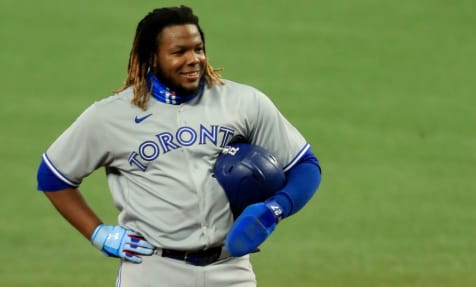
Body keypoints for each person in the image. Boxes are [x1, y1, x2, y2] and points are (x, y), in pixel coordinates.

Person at [36, 5, 321, 287]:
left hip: (230, 269)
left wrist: (275, 208)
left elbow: (304, 165)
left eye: (198, 48)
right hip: (153, 270)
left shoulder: (243, 102)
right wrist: (98, 233)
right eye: (179, 52)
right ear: (152, 57)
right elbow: (53, 176)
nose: (193, 59)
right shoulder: (110, 116)